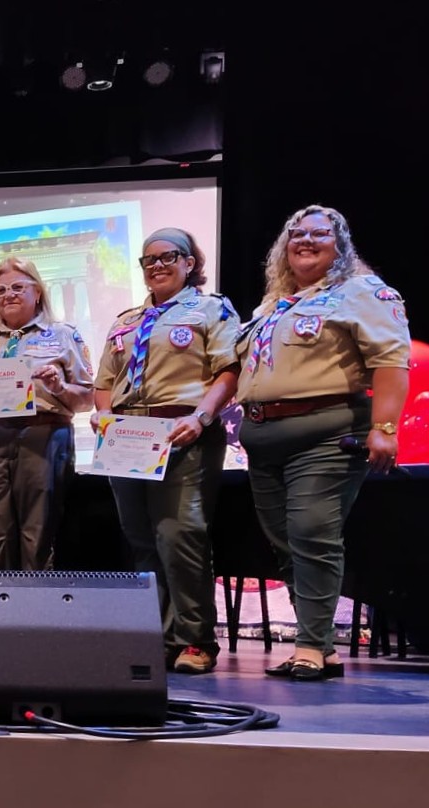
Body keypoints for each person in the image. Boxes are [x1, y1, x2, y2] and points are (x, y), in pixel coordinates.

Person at [235, 205, 408, 682]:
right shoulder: (273, 305)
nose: (305, 240)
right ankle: (322, 647)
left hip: (325, 432)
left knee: (312, 534)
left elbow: (391, 362)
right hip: (263, 439)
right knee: (286, 544)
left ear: (341, 246)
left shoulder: (362, 292)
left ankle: (309, 646)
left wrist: (385, 427)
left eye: (319, 234)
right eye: (296, 234)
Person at [91, 229, 240, 674]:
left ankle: (195, 640)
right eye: (148, 260)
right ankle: (156, 638)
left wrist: (202, 418)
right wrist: (103, 414)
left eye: (167, 257)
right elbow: (105, 381)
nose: (156, 265)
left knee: (180, 536)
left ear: (189, 263)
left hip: (182, 433)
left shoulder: (211, 309)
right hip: (127, 436)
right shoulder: (126, 320)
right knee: (141, 540)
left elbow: (229, 370)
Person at [0, 256, 93, 572]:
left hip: (42, 438)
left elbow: (86, 400)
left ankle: (38, 604)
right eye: (0, 290)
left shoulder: (63, 334)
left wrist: (59, 387)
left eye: (17, 287)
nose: (8, 295)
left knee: (38, 537)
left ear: (37, 291)